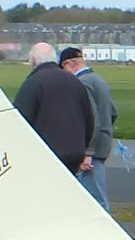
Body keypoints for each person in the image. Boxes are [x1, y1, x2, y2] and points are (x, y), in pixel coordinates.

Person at [12, 41, 95, 175]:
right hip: (75, 153)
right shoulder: (75, 81)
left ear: (33, 61)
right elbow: (89, 119)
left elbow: (21, 122)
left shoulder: (33, 83)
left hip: (45, 156)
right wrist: (83, 148)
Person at [59, 46, 117, 211]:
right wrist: (105, 132)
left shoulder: (81, 83)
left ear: (69, 64)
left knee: (95, 200)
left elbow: (92, 118)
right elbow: (113, 112)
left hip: (90, 152)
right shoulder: (98, 79)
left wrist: (88, 152)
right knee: (96, 194)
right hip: (103, 145)